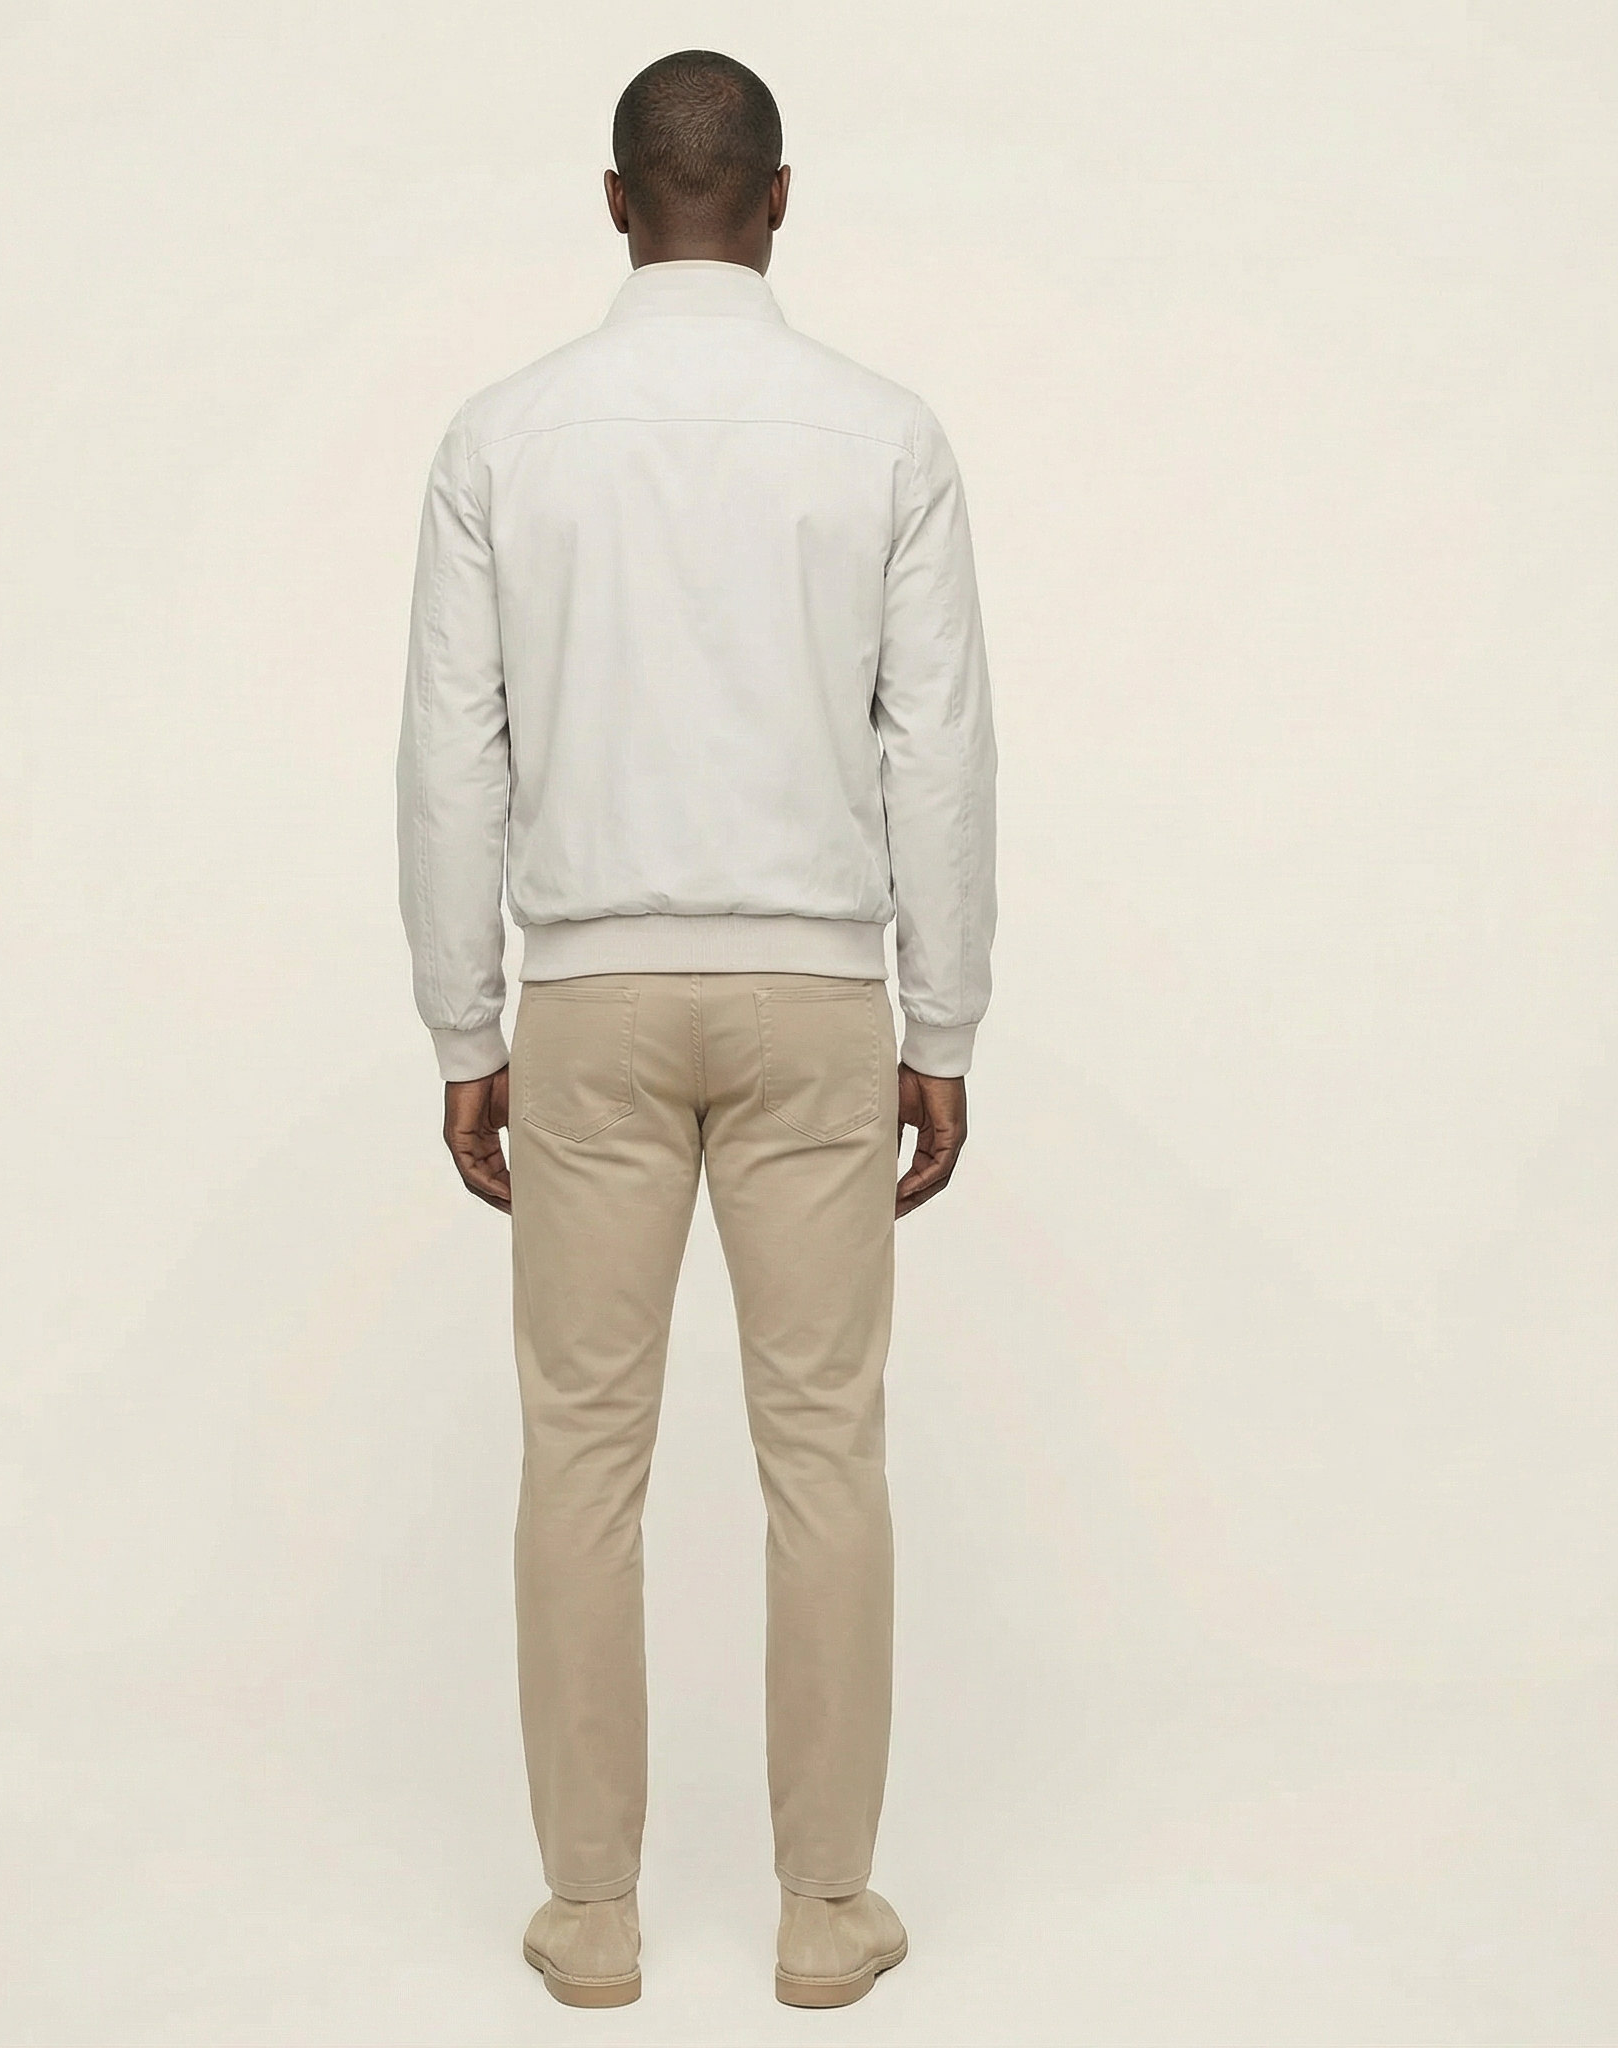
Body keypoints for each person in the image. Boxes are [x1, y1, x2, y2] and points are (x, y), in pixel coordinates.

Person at [393, 48, 998, 2011]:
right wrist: (943, 1017)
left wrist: (463, 1025)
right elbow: (937, 751)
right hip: (817, 995)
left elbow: (451, 757)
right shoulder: (884, 436)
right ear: (781, 198)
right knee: (824, 1450)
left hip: (589, 994)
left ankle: (589, 1916)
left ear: (614, 200)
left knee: (581, 1451)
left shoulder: (503, 438)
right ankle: (826, 1913)